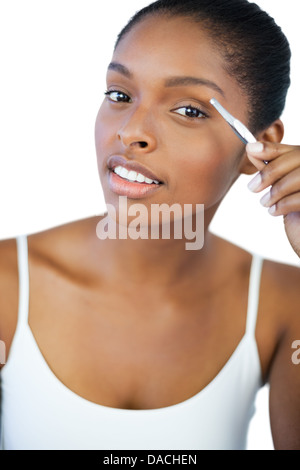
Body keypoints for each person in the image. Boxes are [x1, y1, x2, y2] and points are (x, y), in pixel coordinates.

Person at [0, 0, 300, 451]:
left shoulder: (284, 303)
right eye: (120, 95)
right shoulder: (6, 285)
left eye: (190, 110)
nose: (131, 131)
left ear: (260, 146)